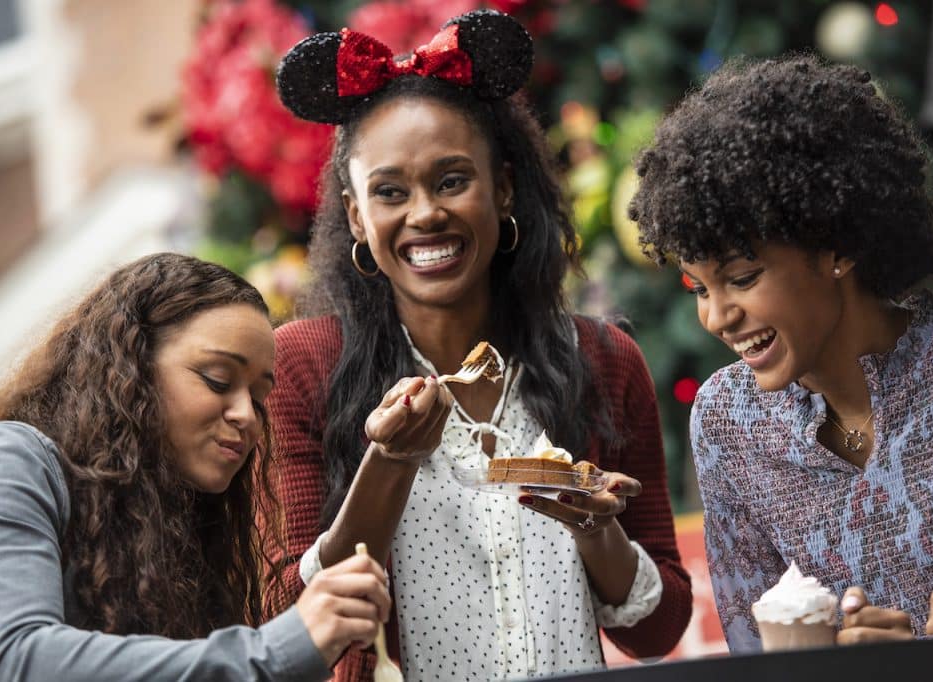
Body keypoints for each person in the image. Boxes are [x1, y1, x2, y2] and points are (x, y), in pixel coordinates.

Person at [265, 9, 692, 681]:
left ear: (503, 188)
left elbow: (660, 631)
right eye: (389, 192)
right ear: (355, 214)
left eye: (452, 180)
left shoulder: (605, 361)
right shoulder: (304, 364)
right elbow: (292, 623)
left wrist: (593, 528)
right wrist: (389, 460)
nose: (425, 213)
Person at [629, 53, 933, 653]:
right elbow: (752, 656)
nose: (718, 317)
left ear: (837, 247)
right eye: (700, 289)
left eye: (744, 278)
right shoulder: (729, 421)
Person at [0, 253, 391, 680]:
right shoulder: (15, 460)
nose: (247, 416)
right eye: (217, 379)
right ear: (131, 367)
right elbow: (12, 658)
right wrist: (279, 649)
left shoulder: (180, 528)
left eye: (257, 398)